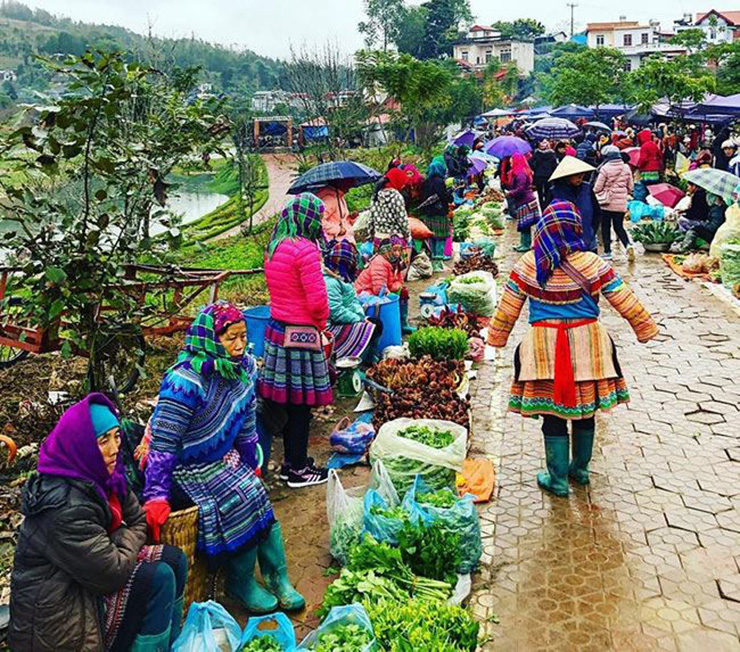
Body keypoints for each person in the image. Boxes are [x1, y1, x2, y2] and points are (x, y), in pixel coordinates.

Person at [142, 302, 305, 617]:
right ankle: (239, 582)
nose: (240, 344)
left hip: (221, 458)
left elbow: (245, 420)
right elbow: (163, 443)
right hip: (186, 467)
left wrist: (250, 459)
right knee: (236, 499)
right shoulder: (185, 381)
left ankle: (277, 577)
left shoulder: (243, 368)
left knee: (255, 491)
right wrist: (155, 495)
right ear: (210, 338)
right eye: (231, 338)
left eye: (243, 336)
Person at [487, 201, 658, 497]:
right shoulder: (594, 264)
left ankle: (557, 479)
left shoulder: (529, 264)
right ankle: (580, 469)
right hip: (589, 347)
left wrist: (496, 338)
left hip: (543, 348)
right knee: (585, 410)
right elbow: (624, 298)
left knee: (553, 415)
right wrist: (644, 328)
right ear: (577, 228)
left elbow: (507, 309)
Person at [10, 394, 187, 651]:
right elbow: (111, 573)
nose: (115, 448)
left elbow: (138, 519)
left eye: (116, 436)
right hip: (60, 614)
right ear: (82, 445)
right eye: (103, 441)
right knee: (156, 579)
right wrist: (119, 538)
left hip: (88, 576)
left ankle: (170, 645)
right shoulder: (64, 505)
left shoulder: (105, 475)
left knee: (174, 560)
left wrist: (115, 539)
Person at [261, 193, 332, 487]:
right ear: (308, 218)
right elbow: (317, 301)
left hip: (278, 330)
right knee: (301, 404)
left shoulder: (275, 246)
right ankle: (297, 469)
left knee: (289, 401)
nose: (321, 222)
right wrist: (322, 324)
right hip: (301, 334)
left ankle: (293, 460)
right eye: (319, 216)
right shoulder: (305, 250)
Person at [323, 239, 379, 360]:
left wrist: (360, 315)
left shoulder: (343, 279)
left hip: (347, 317)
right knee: (370, 327)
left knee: (375, 323)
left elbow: (353, 300)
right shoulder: (330, 282)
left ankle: (370, 357)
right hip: (332, 325)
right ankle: (357, 358)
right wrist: (358, 319)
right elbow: (336, 311)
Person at [354, 236, 416, 333]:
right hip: (366, 293)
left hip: (384, 289)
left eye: (399, 250)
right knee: (388, 300)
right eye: (394, 250)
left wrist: (393, 288)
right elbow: (379, 289)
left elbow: (400, 280)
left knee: (403, 293)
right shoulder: (379, 263)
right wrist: (391, 289)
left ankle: (402, 324)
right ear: (386, 250)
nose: (397, 253)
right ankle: (384, 327)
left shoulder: (396, 263)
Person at [549, 156, 601, 252]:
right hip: (565, 243)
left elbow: (596, 212)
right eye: (577, 177)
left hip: (588, 238)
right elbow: (549, 218)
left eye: (582, 176)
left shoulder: (587, 189)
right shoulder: (555, 192)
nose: (580, 179)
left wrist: (591, 231)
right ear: (567, 177)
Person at [593, 145, 635, 261]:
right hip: (621, 203)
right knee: (619, 227)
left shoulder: (605, 168)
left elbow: (597, 188)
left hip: (606, 203)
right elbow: (631, 187)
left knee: (606, 227)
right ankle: (628, 245)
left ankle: (608, 252)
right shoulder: (626, 168)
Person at [420, 155, 452, 272]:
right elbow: (443, 196)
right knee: (441, 237)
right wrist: (449, 195)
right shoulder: (439, 181)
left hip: (428, 213)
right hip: (439, 213)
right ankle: (438, 262)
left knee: (432, 236)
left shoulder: (426, 182)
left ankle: (433, 260)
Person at [367, 167, 411, 245]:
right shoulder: (396, 196)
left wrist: (371, 235)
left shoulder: (376, 195)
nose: (403, 186)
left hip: (378, 238)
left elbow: (371, 219)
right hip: (395, 240)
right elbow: (402, 220)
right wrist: (408, 236)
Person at [506, 152, 540, 252]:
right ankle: (523, 243)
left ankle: (526, 244)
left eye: (512, 160)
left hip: (526, 201)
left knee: (525, 225)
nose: (510, 162)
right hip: (524, 200)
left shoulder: (521, 174)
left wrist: (510, 193)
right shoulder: (519, 171)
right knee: (524, 224)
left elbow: (520, 189)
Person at [530, 140, 558, 208]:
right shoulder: (552, 154)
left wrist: (535, 168)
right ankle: (546, 205)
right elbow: (554, 165)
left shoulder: (537, 153)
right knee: (547, 192)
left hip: (538, 175)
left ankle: (542, 206)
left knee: (540, 193)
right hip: (548, 175)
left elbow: (530, 163)